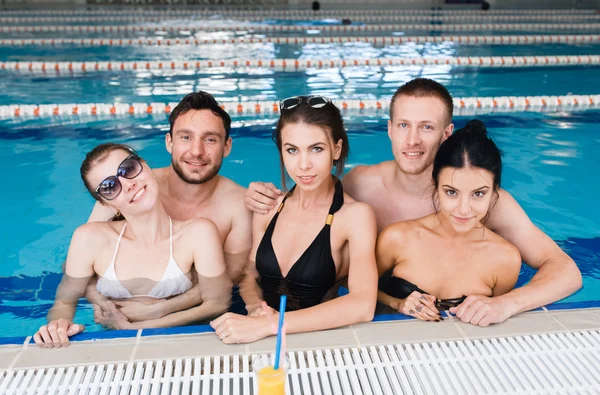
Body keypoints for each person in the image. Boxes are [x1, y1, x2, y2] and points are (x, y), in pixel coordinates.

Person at [244, 78, 582, 327]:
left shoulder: (487, 200)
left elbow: (566, 271)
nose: (412, 141)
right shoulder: (360, 185)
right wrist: (260, 195)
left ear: (447, 133)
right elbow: (307, 202)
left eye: (426, 128)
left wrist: (507, 304)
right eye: (403, 125)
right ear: (389, 129)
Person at [210, 95, 378, 344]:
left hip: (318, 340)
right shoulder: (269, 207)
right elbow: (250, 274)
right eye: (292, 150)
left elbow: (362, 305)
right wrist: (256, 307)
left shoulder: (354, 216)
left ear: (337, 149)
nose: (304, 165)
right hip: (257, 331)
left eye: (316, 149)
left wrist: (270, 324)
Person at [34, 144, 232, 348]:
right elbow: (65, 302)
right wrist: (58, 325)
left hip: (182, 341)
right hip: (113, 345)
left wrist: (138, 328)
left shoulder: (198, 232)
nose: (128, 184)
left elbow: (217, 303)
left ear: (145, 166)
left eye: (127, 169)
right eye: (110, 186)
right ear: (105, 203)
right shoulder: (89, 238)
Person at [86, 91, 252, 325]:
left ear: (226, 147)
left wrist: (159, 310)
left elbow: (230, 280)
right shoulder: (129, 189)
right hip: (122, 312)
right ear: (169, 142)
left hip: (200, 319)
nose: (196, 151)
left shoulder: (238, 205)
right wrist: (104, 306)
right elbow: (80, 264)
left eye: (210, 139)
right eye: (186, 137)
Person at [377, 120, 521, 323]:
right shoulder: (398, 237)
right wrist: (397, 303)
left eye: (478, 194)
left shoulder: (505, 259)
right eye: (451, 192)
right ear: (436, 186)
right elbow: (354, 286)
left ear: (494, 191)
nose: (464, 209)